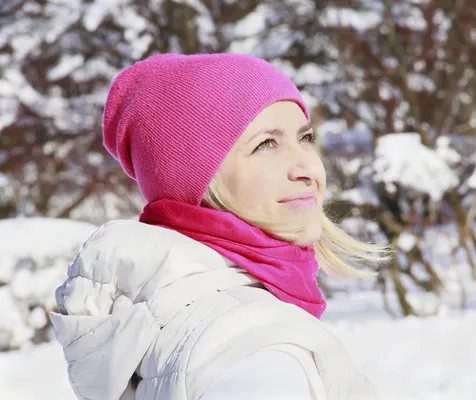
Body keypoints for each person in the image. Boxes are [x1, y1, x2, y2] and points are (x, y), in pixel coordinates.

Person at [49, 53, 387, 400]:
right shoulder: (255, 352)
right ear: (195, 180)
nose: (307, 167)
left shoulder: (160, 318)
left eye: (305, 138)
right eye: (266, 144)